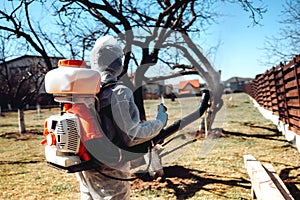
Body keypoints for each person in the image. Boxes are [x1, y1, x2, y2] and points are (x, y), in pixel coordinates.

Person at [76, 35, 168, 200]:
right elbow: (131, 135)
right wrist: (159, 122)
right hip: (110, 167)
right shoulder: (118, 91)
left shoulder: (88, 91)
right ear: (117, 62)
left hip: (86, 163)